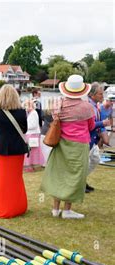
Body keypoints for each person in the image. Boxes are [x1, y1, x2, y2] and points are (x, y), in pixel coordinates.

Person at [41, 75, 95, 219]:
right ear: (82, 90)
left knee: (59, 174)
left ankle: (55, 209)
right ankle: (67, 210)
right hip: (79, 144)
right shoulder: (87, 107)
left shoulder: (58, 104)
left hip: (61, 143)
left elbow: (54, 120)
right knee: (75, 175)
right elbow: (91, 126)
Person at [0, 84, 28, 218]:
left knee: (1, 179)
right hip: (17, 148)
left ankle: (3, 206)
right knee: (16, 179)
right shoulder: (22, 112)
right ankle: (18, 206)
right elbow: (24, 130)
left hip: (1, 148)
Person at [86, 82, 111, 192]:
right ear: (92, 95)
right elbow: (89, 125)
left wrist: (102, 130)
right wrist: (103, 124)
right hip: (87, 140)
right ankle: (80, 183)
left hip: (93, 139)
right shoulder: (89, 106)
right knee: (85, 163)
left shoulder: (95, 106)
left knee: (95, 159)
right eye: (100, 94)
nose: (103, 96)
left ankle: (82, 180)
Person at [23, 99, 44, 172]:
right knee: (30, 151)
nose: (25, 107)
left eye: (26, 105)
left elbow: (33, 125)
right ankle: (30, 166)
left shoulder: (33, 113)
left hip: (32, 134)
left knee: (31, 151)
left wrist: (24, 126)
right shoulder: (31, 113)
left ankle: (29, 166)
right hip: (31, 134)